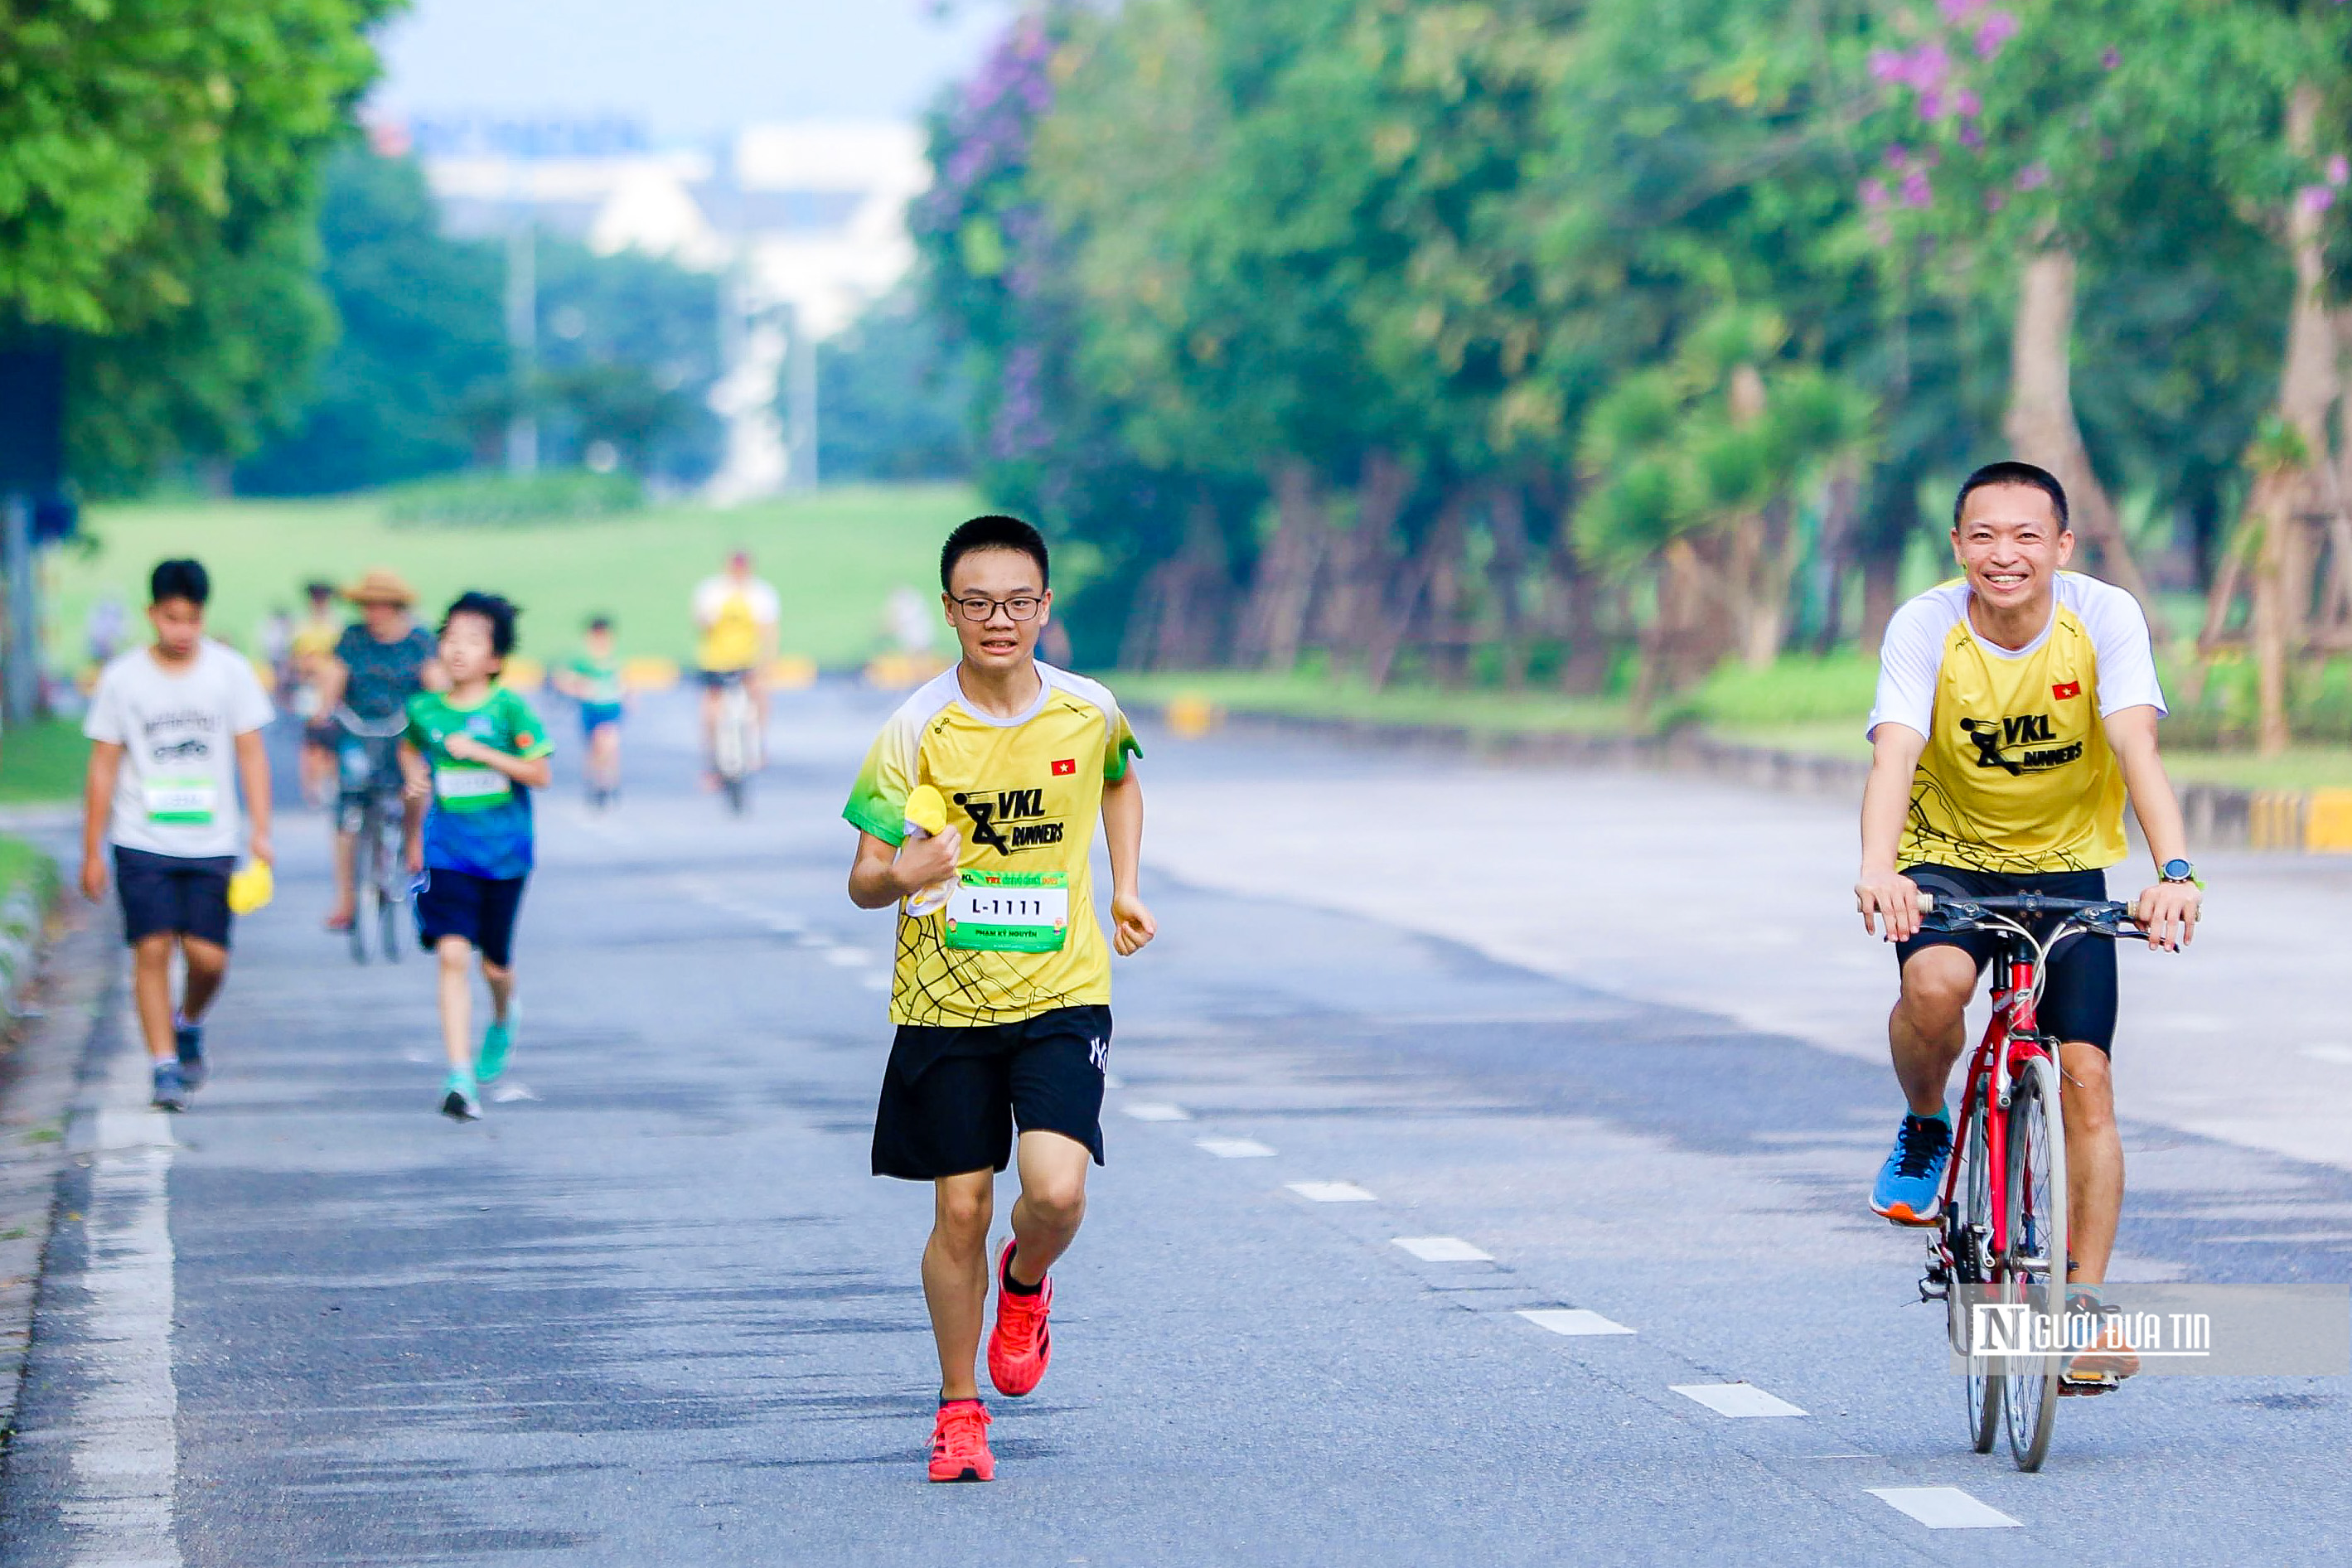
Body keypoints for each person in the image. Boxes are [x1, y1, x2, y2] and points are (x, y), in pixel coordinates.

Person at [1854, 460, 2202, 1396]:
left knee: (2086, 1076)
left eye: (2025, 536)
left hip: (2065, 867)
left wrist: (2172, 872)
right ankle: (1929, 1125)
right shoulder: (1926, 623)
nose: (2003, 555)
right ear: (1959, 544)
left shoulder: (2105, 617)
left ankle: (2083, 1307)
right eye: (1983, 536)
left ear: (2061, 546)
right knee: (1934, 988)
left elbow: (2137, 747)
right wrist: (1879, 869)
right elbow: (1894, 756)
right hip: (1946, 854)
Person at [843, 514, 1156, 1483]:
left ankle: (1026, 1284)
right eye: (977, 603)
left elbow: (1120, 781)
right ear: (949, 609)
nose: (998, 619)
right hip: (945, 1000)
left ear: (1044, 607)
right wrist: (906, 868)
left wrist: (1126, 884)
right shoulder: (913, 726)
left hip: (1063, 988)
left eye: (1018, 601)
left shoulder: (1089, 707)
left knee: (1055, 1192)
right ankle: (958, 1405)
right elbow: (861, 876)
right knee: (964, 1208)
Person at [78, 559, 275, 1111]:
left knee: (209, 958)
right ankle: (163, 1066)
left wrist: (262, 831)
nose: (182, 632)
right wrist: (91, 850)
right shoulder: (122, 680)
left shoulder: (230, 672)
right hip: (141, 836)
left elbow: (252, 754)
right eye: (172, 619)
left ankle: (188, 1022)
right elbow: (102, 767)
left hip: (213, 839)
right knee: (153, 947)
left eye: (192, 620)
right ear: (151, 614)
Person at [399, 593, 552, 1122]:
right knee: (450, 955)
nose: (458, 649)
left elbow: (540, 773)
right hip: (448, 855)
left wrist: (484, 753)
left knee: (494, 965)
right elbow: (411, 748)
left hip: (505, 856)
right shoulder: (425, 710)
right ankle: (460, 1075)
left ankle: (504, 1015)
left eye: (473, 641)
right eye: (451, 638)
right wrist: (414, 778)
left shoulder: (510, 709)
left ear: (494, 658)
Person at [317, 569, 438, 931]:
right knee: (347, 811)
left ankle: (414, 840)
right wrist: (323, 711)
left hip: (405, 732)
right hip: (359, 729)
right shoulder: (352, 639)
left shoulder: (419, 641)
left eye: (382, 605)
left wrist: (436, 712)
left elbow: (435, 682)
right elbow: (334, 675)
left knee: (415, 785)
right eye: (369, 605)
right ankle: (346, 898)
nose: (375, 612)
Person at [692, 549, 780, 780]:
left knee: (760, 694)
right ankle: (711, 759)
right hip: (716, 661)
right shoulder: (712, 592)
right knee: (711, 710)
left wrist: (768, 662)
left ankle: (759, 744)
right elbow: (701, 623)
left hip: (748, 660)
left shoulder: (760, 594)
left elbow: (769, 631)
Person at [552, 616, 626, 808]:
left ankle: (610, 783)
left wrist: (629, 695)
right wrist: (579, 688)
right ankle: (595, 783)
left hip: (611, 709)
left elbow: (624, 681)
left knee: (609, 743)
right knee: (594, 749)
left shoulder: (614, 659)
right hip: (591, 709)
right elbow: (562, 679)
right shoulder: (583, 661)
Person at [291, 581, 344, 808]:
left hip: (331, 690)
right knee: (312, 738)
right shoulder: (302, 627)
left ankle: (329, 781)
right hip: (311, 689)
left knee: (332, 738)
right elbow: (296, 660)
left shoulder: (336, 626)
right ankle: (311, 785)